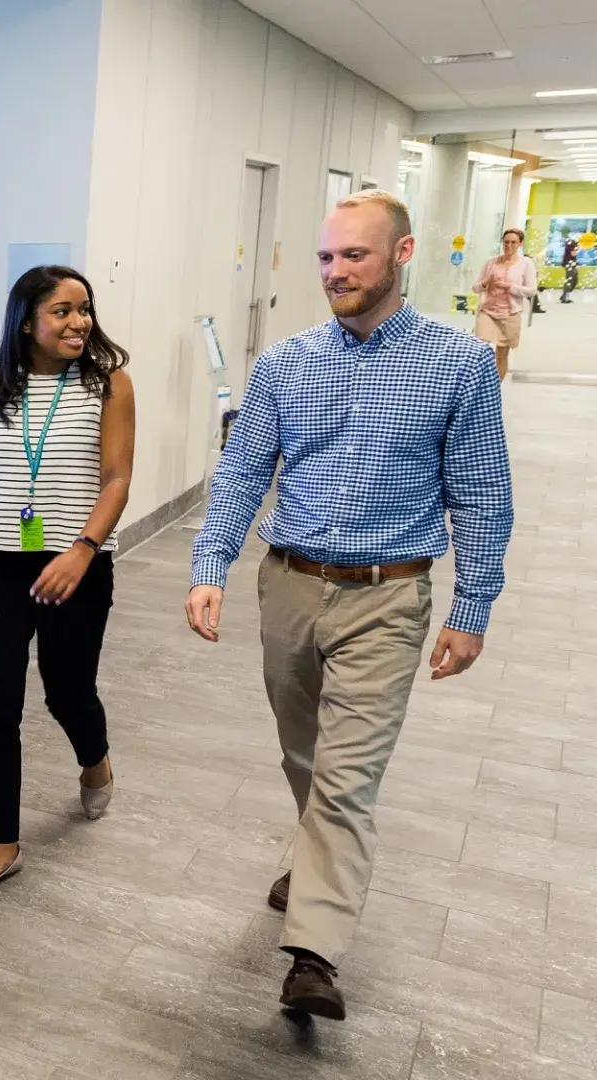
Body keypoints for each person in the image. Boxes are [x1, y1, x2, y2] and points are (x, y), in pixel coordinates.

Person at [185, 189, 512, 1021]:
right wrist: (209, 561)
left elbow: (481, 496)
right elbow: (243, 471)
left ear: (401, 255)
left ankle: (313, 955)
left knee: (345, 778)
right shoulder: (286, 364)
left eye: (354, 256)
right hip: (288, 585)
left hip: (388, 597)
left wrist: (471, 608)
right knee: (304, 757)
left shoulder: (459, 364)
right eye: (326, 257)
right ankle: (317, 854)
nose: (335, 272)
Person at [0, 265, 135, 896]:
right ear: (26, 320)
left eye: (85, 309)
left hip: (76, 565)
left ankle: (95, 757)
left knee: (66, 692)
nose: (79, 321)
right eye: (63, 311)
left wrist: (83, 551)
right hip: (0, 560)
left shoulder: (108, 384)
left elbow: (116, 480)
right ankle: (2, 842)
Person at [472, 228, 537, 380]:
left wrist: (510, 287)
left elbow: (531, 290)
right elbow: (475, 287)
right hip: (487, 311)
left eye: (513, 242)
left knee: (502, 353)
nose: (509, 245)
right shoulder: (491, 262)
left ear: (520, 244)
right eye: (506, 242)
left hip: (509, 314)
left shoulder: (526, 263)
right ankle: (478, 384)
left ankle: (495, 390)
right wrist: (486, 282)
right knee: (479, 349)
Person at [563, 237, 581, 304]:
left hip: (573, 264)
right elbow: (573, 254)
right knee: (569, 281)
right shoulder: (570, 244)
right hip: (569, 265)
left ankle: (564, 296)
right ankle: (565, 298)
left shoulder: (574, 244)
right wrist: (577, 247)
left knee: (575, 280)